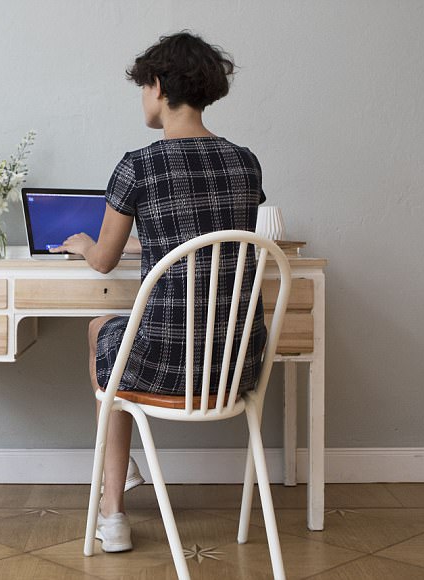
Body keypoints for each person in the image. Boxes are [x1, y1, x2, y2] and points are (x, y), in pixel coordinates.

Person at [50, 31, 267, 553]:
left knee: (103, 329)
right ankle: (118, 488)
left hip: (165, 363)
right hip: (235, 364)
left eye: (143, 87)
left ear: (157, 86)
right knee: (122, 339)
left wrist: (82, 244)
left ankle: (114, 508)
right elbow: (214, 236)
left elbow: (104, 260)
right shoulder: (246, 162)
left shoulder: (139, 164)